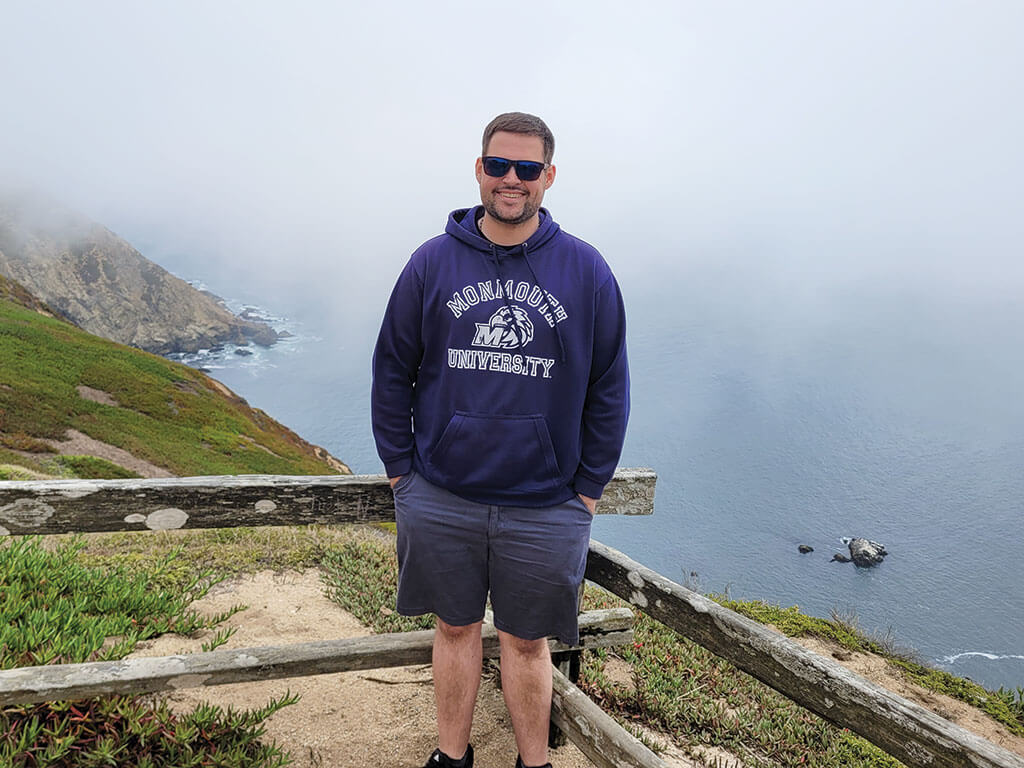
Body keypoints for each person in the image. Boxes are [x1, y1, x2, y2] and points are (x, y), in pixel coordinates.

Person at [371, 112, 629, 768]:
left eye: (526, 169)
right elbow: (392, 369)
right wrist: (403, 472)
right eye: (498, 166)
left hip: (545, 505)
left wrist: (587, 491)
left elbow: (609, 388)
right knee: (453, 628)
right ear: (479, 169)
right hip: (443, 495)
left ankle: (531, 762)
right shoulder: (431, 263)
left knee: (526, 641)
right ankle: (451, 757)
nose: (510, 180)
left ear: (548, 176)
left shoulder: (586, 271)